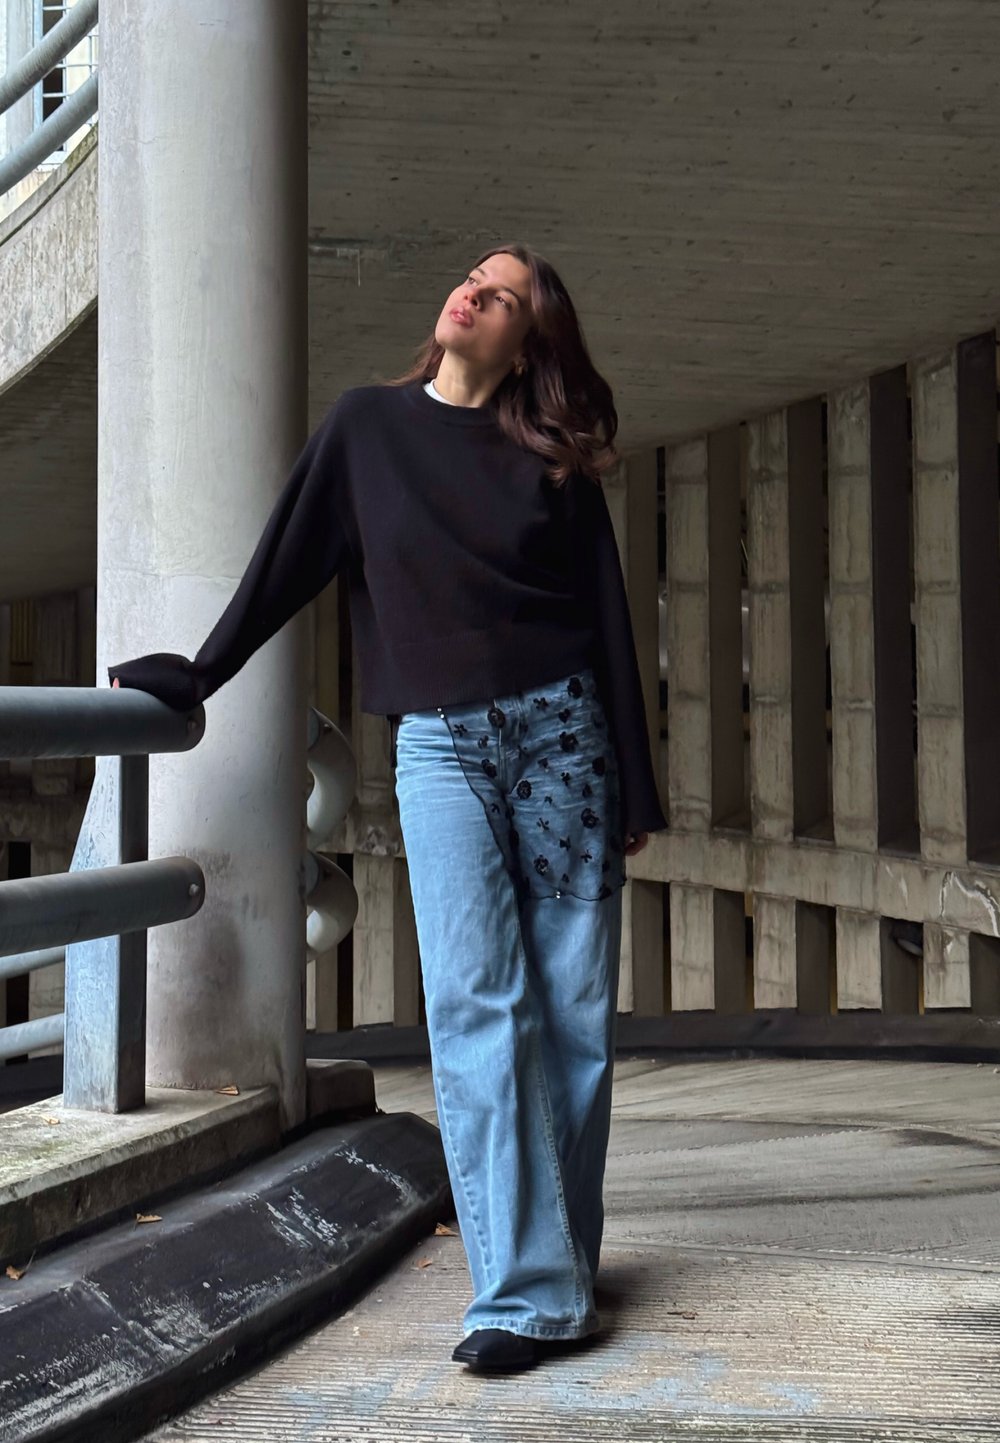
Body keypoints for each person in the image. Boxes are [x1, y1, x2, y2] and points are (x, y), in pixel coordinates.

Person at [109, 243, 668, 1374]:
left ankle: (555, 1263)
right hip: (441, 746)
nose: (474, 292)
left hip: (565, 740)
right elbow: (285, 567)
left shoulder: (549, 460)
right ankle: (521, 1295)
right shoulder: (366, 430)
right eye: (476, 276)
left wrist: (636, 788)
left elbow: (605, 621)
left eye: (504, 296)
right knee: (475, 1006)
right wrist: (200, 676)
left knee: (571, 1022)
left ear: (527, 344)